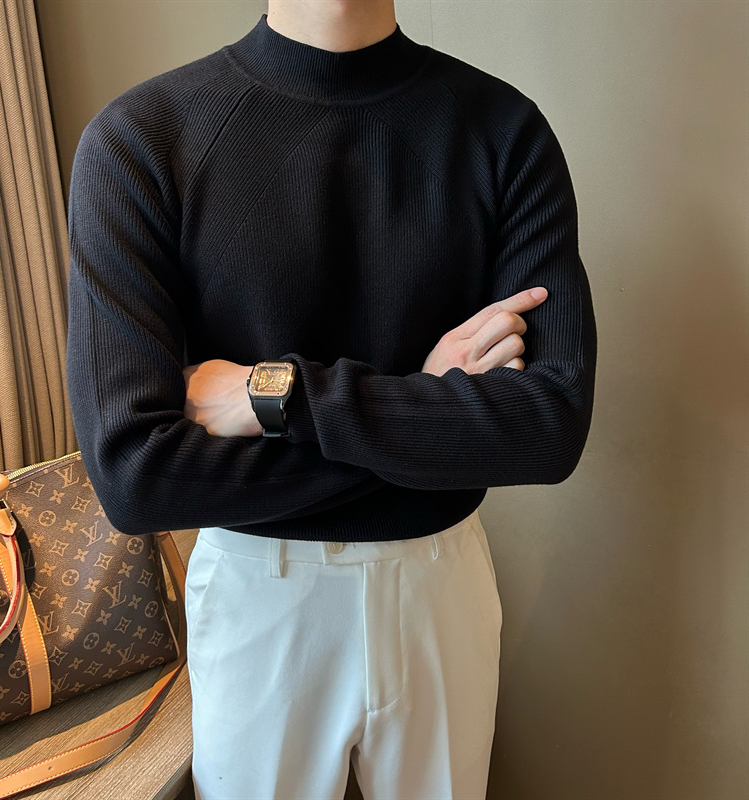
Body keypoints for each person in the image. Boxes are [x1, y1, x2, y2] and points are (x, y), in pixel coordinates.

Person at [65, 0, 597, 797]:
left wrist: (279, 396)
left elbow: (548, 429)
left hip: (439, 582)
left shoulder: (504, 130)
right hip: (258, 589)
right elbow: (136, 478)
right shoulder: (141, 139)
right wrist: (426, 410)